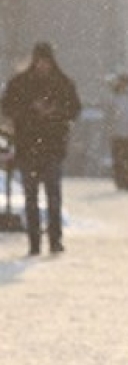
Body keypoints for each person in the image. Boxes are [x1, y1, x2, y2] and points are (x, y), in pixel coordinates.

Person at [0, 42, 82, 255]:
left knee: (53, 196)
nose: (42, 65)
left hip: (52, 146)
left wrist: (54, 113)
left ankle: (55, 239)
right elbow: (7, 107)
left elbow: (73, 109)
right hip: (28, 146)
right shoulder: (21, 84)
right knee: (31, 197)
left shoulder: (62, 84)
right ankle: (35, 242)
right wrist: (31, 111)